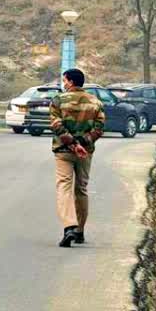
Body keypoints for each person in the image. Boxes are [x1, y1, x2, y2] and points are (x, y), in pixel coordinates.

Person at [48, 68, 106, 248]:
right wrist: (82, 143)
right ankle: (80, 231)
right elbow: (99, 128)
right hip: (85, 152)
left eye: (64, 81)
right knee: (81, 189)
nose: (63, 84)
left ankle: (69, 226)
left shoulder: (58, 100)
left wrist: (73, 144)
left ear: (71, 82)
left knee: (64, 186)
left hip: (64, 151)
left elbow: (56, 125)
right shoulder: (95, 102)